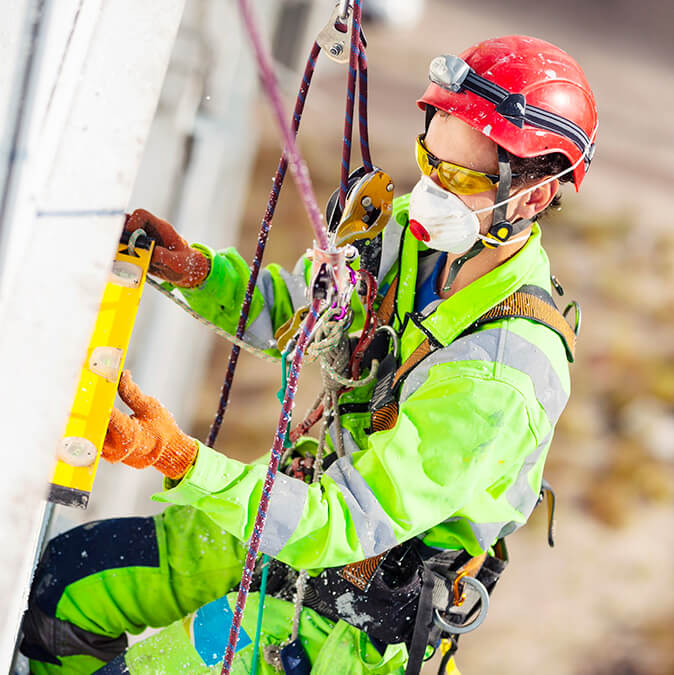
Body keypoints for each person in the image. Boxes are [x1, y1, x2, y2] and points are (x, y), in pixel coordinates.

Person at [21, 35, 598, 675]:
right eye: (429, 160)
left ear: (534, 195)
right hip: (299, 521)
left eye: (459, 177)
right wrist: (197, 274)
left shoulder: (501, 375)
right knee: (67, 588)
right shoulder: (415, 238)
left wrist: (178, 458)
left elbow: (347, 520)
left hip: (352, 613)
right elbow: (303, 318)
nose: (430, 191)